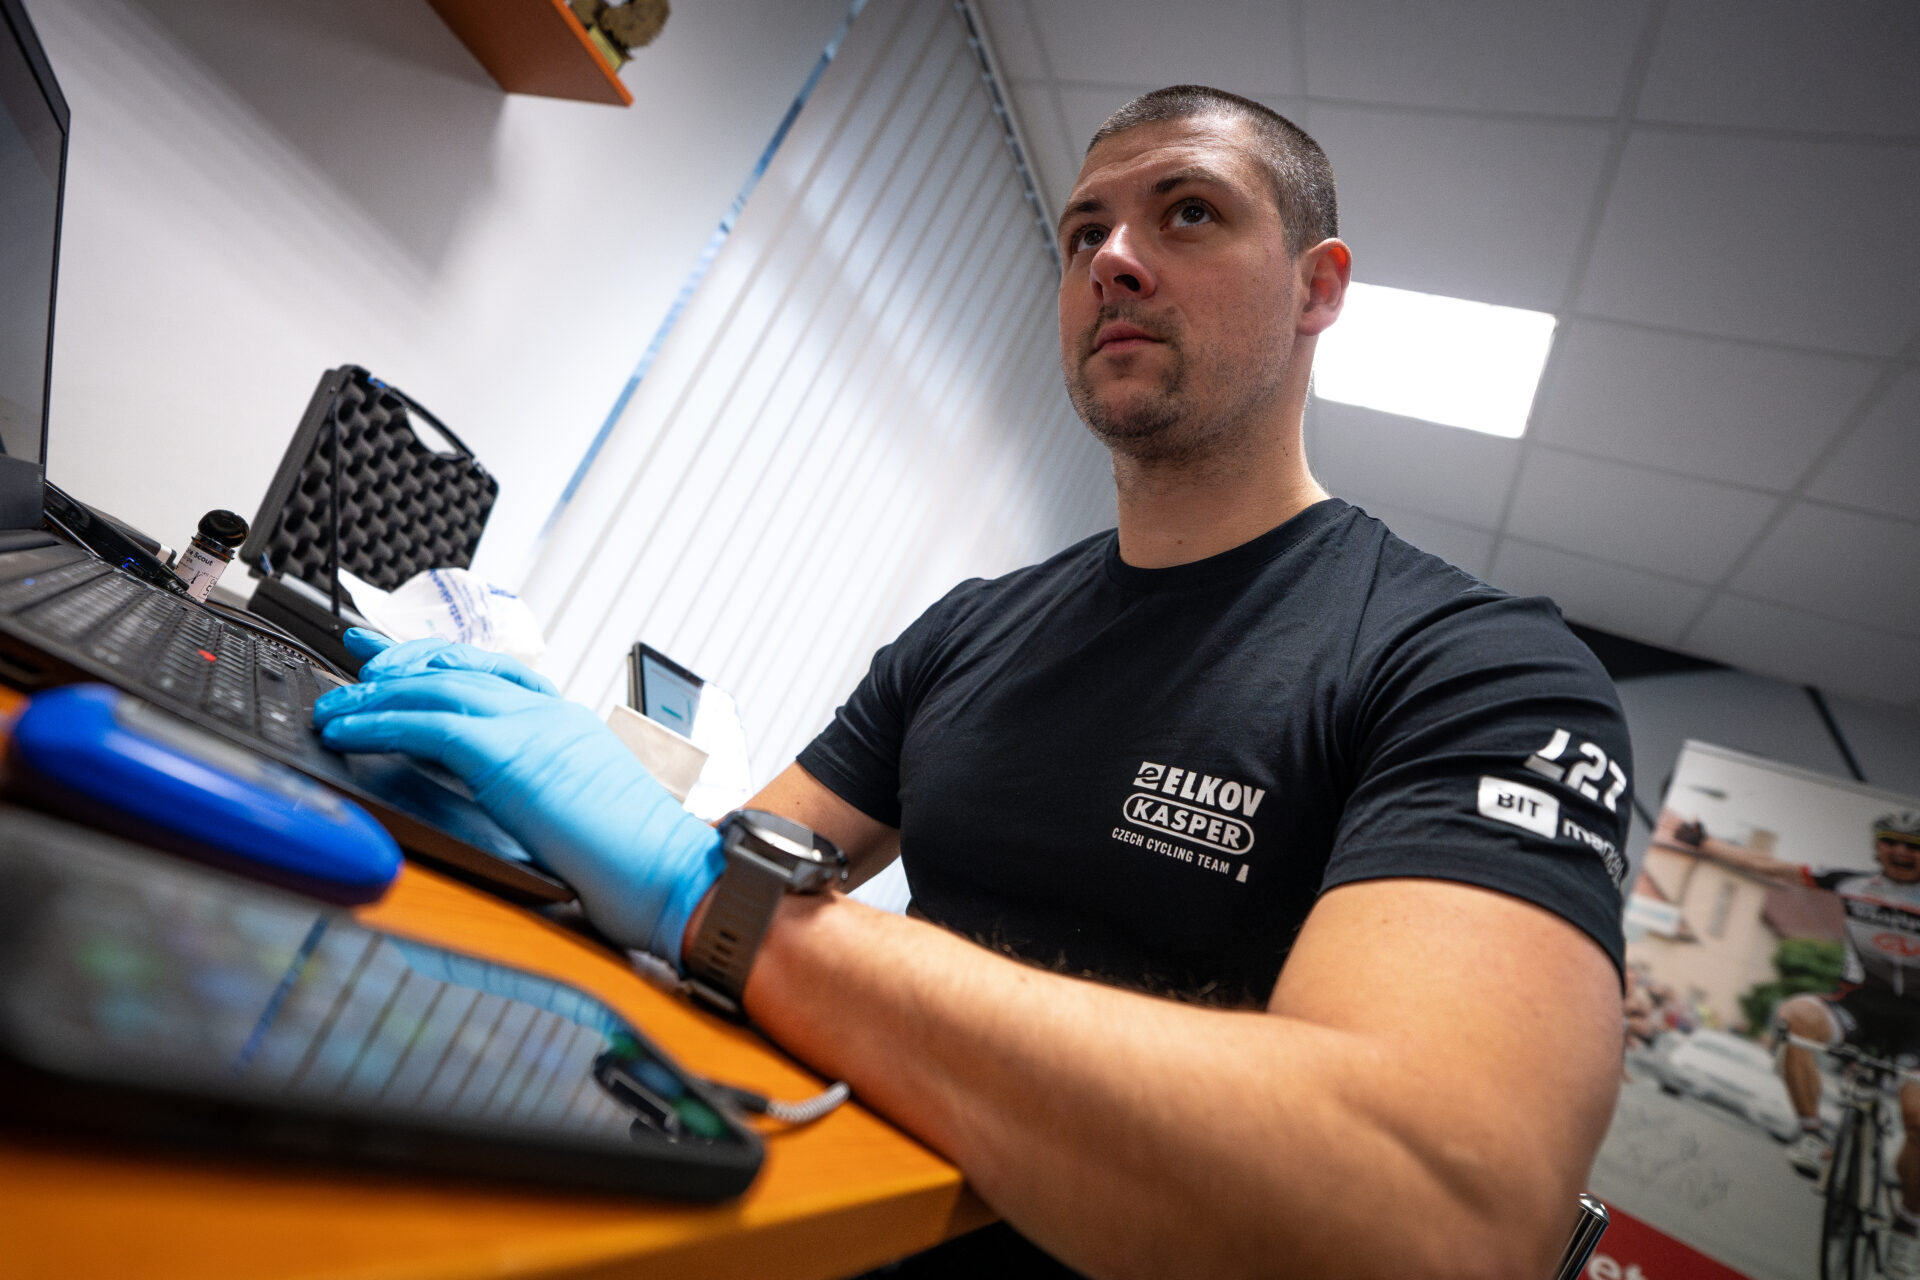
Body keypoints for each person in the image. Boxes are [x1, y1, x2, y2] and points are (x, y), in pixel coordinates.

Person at [312, 86, 1633, 1279]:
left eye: (1188, 212)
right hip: (810, 1219)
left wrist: (711, 895)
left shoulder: (1480, 671)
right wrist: (511, 816)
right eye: (1083, 232)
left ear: (1316, 286)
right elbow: (728, 869)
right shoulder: (973, 628)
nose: (1113, 259)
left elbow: (1437, 1213)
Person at [1692, 810, 1920, 1278]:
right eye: (1891, 841)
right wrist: (1706, 844)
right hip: (1860, 1007)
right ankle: (1812, 1135)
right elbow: (1772, 867)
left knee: (1919, 1118)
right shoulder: (1853, 883)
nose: (1901, 851)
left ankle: (1908, 1227)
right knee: (1794, 1017)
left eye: (1913, 845)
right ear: (1877, 846)